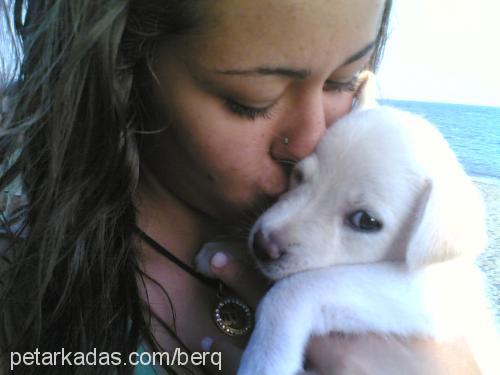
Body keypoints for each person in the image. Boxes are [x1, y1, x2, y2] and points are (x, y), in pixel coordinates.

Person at [0, 1, 480, 374]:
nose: (315, 140)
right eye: (252, 101)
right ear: (124, 66)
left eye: (346, 81)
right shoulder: (25, 289)